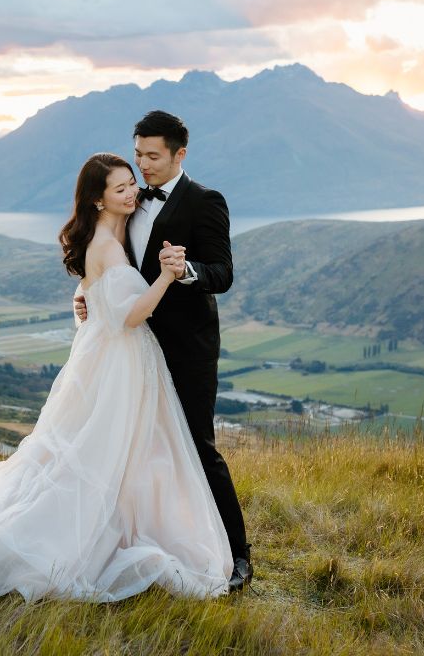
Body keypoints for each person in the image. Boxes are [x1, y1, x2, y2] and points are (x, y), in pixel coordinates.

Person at [0, 152, 232, 602]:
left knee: (125, 452)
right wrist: (168, 277)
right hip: (123, 361)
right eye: (121, 188)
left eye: (133, 183)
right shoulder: (106, 245)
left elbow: (98, 287)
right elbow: (130, 316)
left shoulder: (115, 233)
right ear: (97, 200)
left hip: (119, 359)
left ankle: (128, 525)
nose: (132, 193)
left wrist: (85, 294)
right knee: (104, 451)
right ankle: (91, 534)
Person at [74, 110, 252, 593]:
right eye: (138, 155)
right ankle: (153, 541)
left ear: (179, 155)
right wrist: (89, 295)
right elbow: (113, 268)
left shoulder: (205, 201)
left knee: (198, 448)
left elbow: (223, 273)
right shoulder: (128, 205)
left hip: (187, 349)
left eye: (152, 156)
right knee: (138, 449)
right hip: (135, 353)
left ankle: (237, 555)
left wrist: (187, 268)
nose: (143, 166)